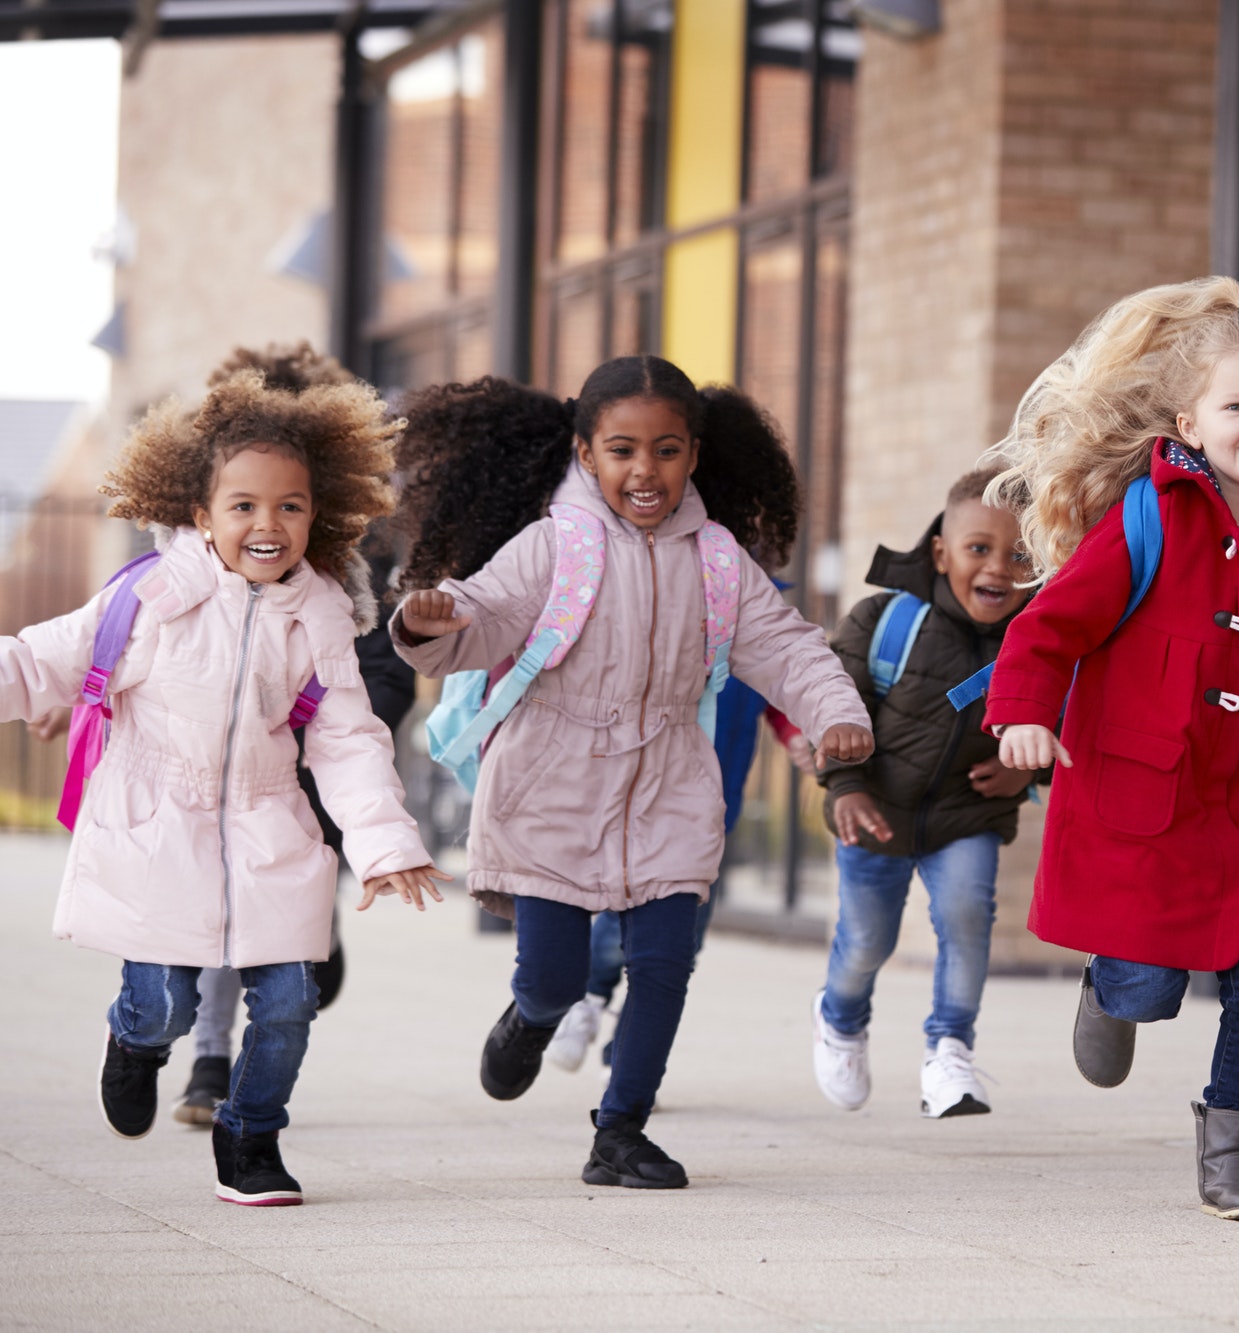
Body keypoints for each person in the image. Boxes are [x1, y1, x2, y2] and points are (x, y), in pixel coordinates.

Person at [389, 356, 872, 1190]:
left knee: (663, 962)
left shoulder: (718, 560)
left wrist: (838, 714)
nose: (645, 471)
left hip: (670, 782)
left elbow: (787, 646)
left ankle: (621, 1130)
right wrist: (430, 622)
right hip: (550, 781)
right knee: (556, 975)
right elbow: (483, 616)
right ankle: (531, 1017)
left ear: (693, 455)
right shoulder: (553, 547)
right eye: (622, 450)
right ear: (586, 455)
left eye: (667, 450)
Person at [982, 277, 1239, 1220]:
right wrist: (1023, 711)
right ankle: (1110, 989)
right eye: (1238, 405)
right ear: (1191, 420)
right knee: (1148, 988)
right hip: (1151, 800)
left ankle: (1232, 1154)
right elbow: (1049, 629)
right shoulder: (1147, 519)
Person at [0, 368, 446, 1206]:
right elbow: (34, 661)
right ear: (200, 516)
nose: (267, 523)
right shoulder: (149, 599)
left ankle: (251, 1137)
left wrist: (384, 842)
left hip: (271, 826)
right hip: (156, 825)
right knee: (166, 1002)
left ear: (318, 513)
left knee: (287, 1002)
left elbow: (349, 739)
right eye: (242, 505)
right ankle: (135, 1041)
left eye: (289, 505)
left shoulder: (319, 617)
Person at [169, 344, 420, 1127]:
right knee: (216, 904)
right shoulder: (189, 542)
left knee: (280, 917)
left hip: (306, 767)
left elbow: (387, 670)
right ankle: (212, 1059)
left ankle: (317, 939)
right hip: (210, 763)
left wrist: (317, 719)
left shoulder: (357, 552)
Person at [809, 465, 1038, 1119]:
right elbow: (831, 703)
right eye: (979, 548)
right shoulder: (885, 620)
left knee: (967, 918)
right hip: (875, 811)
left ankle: (950, 1049)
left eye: (1021, 554)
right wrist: (846, 785)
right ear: (940, 551)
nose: (1000, 567)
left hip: (970, 813)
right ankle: (840, 1018)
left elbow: (1069, 713)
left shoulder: (1041, 640)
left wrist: (1028, 770)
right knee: (866, 943)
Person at [543, 634, 816, 1076]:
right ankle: (587, 999)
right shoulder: (675, 597)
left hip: (714, 809)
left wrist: (794, 732)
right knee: (625, 914)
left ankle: (625, 1053)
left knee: (683, 937)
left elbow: (776, 688)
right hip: (650, 796)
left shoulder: (758, 610)